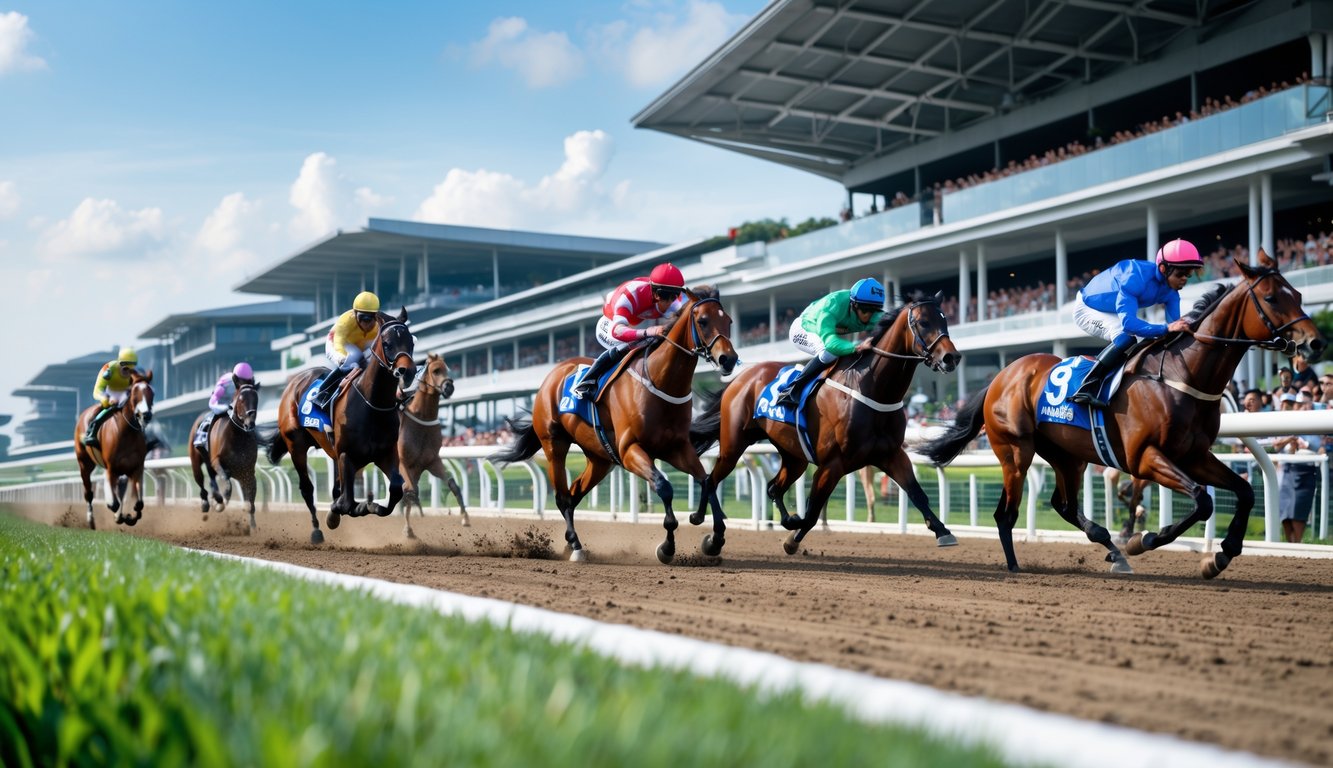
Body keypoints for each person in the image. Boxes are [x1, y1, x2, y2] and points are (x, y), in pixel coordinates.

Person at [1068, 239, 1204, 407]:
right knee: (1126, 338)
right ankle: (1087, 386)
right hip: (1088, 308)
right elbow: (1129, 324)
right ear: (1163, 269)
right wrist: (1166, 328)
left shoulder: (1172, 291)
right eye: (1180, 274)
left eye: (1188, 275)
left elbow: (1175, 331)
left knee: (1152, 341)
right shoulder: (1135, 276)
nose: (1184, 279)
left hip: (1113, 309)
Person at [571, 263, 686, 399]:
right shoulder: (629, 296)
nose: (669, 303)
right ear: (655, 293)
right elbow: (617, 332)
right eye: (665, 298)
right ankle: (587, 381)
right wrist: (648, 331)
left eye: (674, 297)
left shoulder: (675, 300)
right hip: (611, 324)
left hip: (636, 322)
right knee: (628, 347)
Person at [773, 277, 886, 407]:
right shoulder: (832, 305)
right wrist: (858, 346)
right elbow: (831, 344)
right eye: (866, 309)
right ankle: (793, 390)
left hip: (829, 330)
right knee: (828, 353)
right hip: (804, 328)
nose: (869, 316)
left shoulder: (872, 314)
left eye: (875, 310)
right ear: (854, 304)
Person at [311, 291, 381, 409]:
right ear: (354, 314)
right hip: (338, 343)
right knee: (352, 360)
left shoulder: (379, 324)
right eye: (362, 317)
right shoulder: (345, 321)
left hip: (362, 346)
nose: (366, 323)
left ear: (377, 316)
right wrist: (344, 359)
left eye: (370, 318)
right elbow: (338, 343)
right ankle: (322, 393)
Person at [82, 347, 144, 446]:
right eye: (125, 369)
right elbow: (97, 390)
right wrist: (105, 399)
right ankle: (91, 432)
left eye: (131, 370)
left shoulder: (138, 372)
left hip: (127, 394)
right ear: (120, 363)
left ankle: (145, 434)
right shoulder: (108, 369)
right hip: (110, 394)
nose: (128, 373)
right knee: (99, 410)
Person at [192, 362, 256, 450]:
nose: (245, 385)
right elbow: (213, 401)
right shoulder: (226, 383)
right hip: (218, 402)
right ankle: (202, 435)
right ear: (236, 379)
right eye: (242, 381)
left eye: (247, 382)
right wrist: (225, 407)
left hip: (231, 403)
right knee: (217, 414)